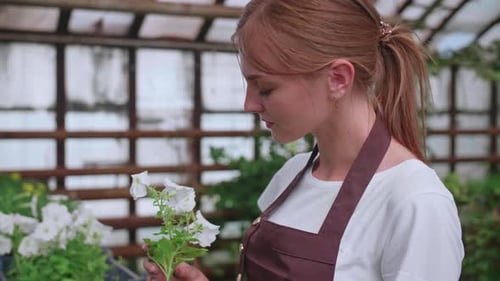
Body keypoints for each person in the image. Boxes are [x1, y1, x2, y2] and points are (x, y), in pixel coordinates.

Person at [144, 0, 465, 280]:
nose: (249, 104)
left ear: (338, 79)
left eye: (265, 88)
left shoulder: (414, 201)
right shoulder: (290, 177)